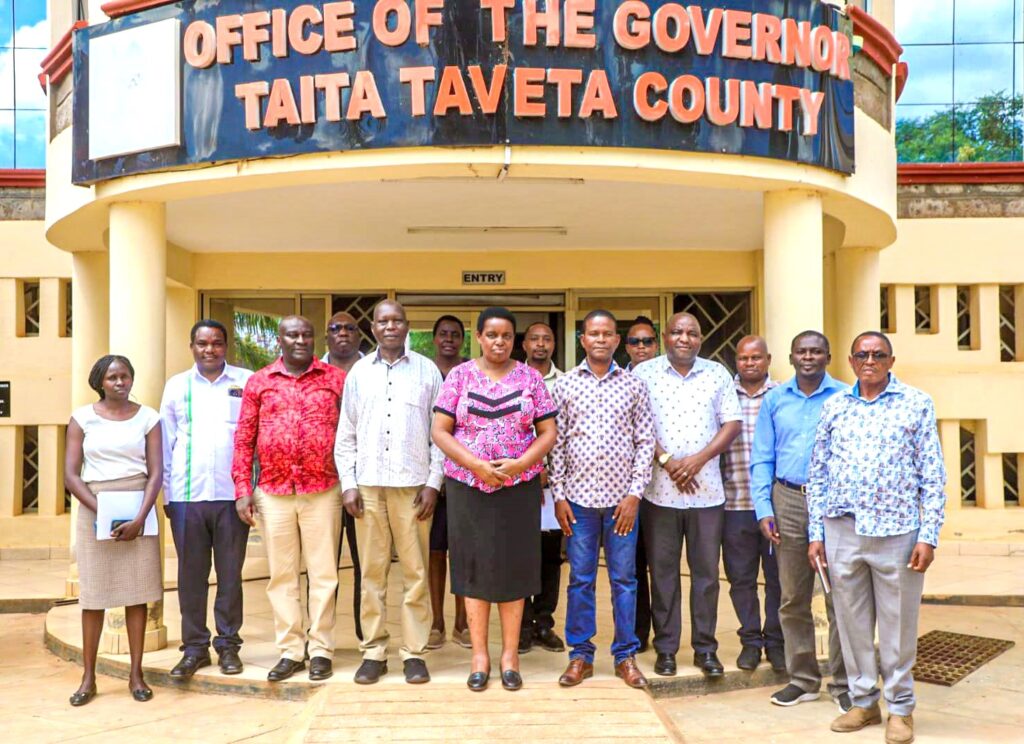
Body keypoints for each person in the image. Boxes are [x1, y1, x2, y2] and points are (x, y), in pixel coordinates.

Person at [808, 332, 945, 744]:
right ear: (850, 361)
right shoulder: (834, 406)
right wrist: (816, 533)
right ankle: (863, 702)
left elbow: (933, 475)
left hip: (897, 532)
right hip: (842, 529)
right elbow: (818, 473)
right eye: (863, 355)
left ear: (890, 360)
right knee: (850, 623)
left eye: (878, 354)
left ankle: (900, 709)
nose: (870, 360)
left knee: (897, 625)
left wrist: (929, 534)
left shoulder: (916, 402)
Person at [430, 307, 557, 692]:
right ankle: (480, 657)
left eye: (505, 336)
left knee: (514, 570)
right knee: (474, 569)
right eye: (491, 335)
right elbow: (440, 430)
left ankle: (510, 656)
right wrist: (476, 466)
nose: (498, 342)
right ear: (479, 338)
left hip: (518, 489)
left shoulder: (531, 378)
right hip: (468, 488)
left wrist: (520, 466)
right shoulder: (459, 376)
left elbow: (548, 432)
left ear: (513, 340)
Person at [335, 300, 443, 685]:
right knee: (372, 573)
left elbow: (442, 434)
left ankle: (414, 653)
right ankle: (374, 652)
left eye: (397, 320)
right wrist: (348, 484)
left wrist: (434, 483)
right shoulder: (359, 374)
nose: (390, 326)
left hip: (413, 488)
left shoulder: (428, 371)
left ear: (407, 325)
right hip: (367, 487)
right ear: (374, 329)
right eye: (383, 321)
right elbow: (345, 435)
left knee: (415, 573)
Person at [233, 316, 346, 683]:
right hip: (273, 492)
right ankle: (290, 650)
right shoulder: (260, 381)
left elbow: (350, 433)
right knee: (281, 577)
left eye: (306, 334)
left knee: (324, 575)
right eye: (292, 334)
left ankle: (321, 650)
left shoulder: (334, 379)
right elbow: (243, 439)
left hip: (323, 490)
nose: (300, 339)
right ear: (279, 340)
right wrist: (241, 490)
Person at [633, 312, 741, 678]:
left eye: (692, 332)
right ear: (665, 337)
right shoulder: (643, 374)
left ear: (700, 338)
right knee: (662, 574)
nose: (684, 338)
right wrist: (666, 459)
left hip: (707, 494)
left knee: (707, 576)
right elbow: (635, 425)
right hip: (658, 494)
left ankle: (705, 649)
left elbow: (732, 423)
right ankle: (666, 649)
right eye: (677, 332)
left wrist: (697, 460)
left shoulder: (717, 374)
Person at [551, 310, 654, 689]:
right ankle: (581, 655)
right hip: (577, 502)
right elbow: (556, 445)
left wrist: (634, 495)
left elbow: (644, 442)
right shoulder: (563, 386)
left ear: (616, 340)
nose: (600, 339)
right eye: (593, 333)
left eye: (607, 333)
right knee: (579, 579)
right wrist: (559, 497)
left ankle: (625, 656)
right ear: (582, 339)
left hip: (620, 505)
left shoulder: (633, 386)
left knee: (625, 580)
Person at [750, 331, 850, 709]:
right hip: (788, 501)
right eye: (801, 352)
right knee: (792, 597)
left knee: (839, 597)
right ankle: (804, 679)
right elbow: (763, 456)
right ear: (790, 358)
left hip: (834, 507)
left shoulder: (845, 396)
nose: (808, 357)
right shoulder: (775, 399)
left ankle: (842, 684)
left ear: (827, 355)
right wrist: (765, 508)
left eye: (816, 351)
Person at [64, 355, 163, 705]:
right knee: (94, 596)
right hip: (95, 506)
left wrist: (138, 517)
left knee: (137, 593)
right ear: (100, 382)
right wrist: (102, 511)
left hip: (139, 508)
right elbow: (71, 475)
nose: (120, 382)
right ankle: (88, 676)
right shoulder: (81, 418)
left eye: (125, 376)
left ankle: (137, 674)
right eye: (112, 377)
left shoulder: (149, 417)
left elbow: (156, 472)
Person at [160, 320, 253, 680]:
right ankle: (195, 648)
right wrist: (168, 494)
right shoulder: (176, 386)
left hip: (233, 496)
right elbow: (166, 443)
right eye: (202, 343)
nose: (209, 349)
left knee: (231, 575)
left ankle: (228, 645)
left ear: (226, 346)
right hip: (186, 497)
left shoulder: (244, 382)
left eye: (216, 343)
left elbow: (254, 438)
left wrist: (250, 490)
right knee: (191, 576)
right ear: (192, 346)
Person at [720, 336, 784, 672]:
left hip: (774, 507)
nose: (749, 363)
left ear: (768, 359)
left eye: (756, 358)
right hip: (735, 505)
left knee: (777, 578)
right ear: (736, 360)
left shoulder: (783, 395)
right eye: (743, 358)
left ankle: (775, 642)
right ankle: (750, 642)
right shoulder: (722, 393)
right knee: (740, 578)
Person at [520, 321, 565, 654]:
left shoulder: (564, 383)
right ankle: (520, 625)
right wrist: (530, 471)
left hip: (554, 486)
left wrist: (550, 474)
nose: (540, 344)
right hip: (518, 482)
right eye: (534, 339)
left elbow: (565, 435)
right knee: (519, 556)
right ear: (524, 344)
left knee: (551, 559)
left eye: (546, 339)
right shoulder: (512, 379)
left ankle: (543, 623)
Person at [426, 315, 470, 649]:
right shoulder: (424, 372)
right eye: (443, 334)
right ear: (433, 338)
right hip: (428, 478)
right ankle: (437, 622)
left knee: (463, 550)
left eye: (456, 335)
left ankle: (462, 622)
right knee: (435, 551)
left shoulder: (471, 373)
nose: (449, 339)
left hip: (464, 475)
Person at [323, 311, 364, 642]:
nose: (343, 333)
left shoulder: (373, 371)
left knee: (368, 566)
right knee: (323, 567)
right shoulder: (313, 373)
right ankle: (321, 642)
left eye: (350, 328)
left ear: (360, 336)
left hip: (366, 482)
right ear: (327, 336)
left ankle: (368, 638)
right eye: (335, 328)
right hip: (321, 483)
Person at [624, 315, 658, 652]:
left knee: (660, 567)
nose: (642, 347)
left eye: (647, 341)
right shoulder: (620, 379)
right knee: (631, 566)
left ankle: (665, 634)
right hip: (630, 493)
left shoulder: (664, 377)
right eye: (635, 342)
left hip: (664, 490)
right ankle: (637, 632)